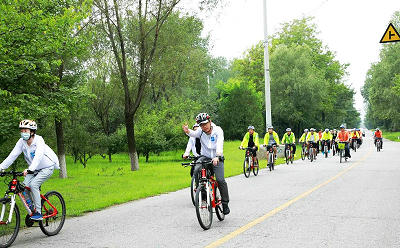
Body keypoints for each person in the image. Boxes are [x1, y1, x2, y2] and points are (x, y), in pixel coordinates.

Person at [0, 120, 60, 221]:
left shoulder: (39, 140)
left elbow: (38, 156)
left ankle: (38, 212)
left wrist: (29, 169)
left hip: (47, 167)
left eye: (25, 130)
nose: (23, 132)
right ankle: (32, 210)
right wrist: (1, 167)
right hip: (33, 169)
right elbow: (12, 156)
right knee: (23, 188)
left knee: (33, 185)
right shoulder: (21, 142)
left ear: (32, 131)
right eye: (22, 130)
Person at [182, 113, 230, 215]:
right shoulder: (200, 131)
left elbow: (220, 143)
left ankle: (225, 204)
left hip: (217, 157)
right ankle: (203, 193)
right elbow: (193, 134)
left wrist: (217, 156)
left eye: (205, 124)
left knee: (220, 180)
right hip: (205, 156)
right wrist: (187, 131)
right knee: (196, 169)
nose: (204, 126)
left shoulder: (218, 130)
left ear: (210, 122)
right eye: (201, 125)